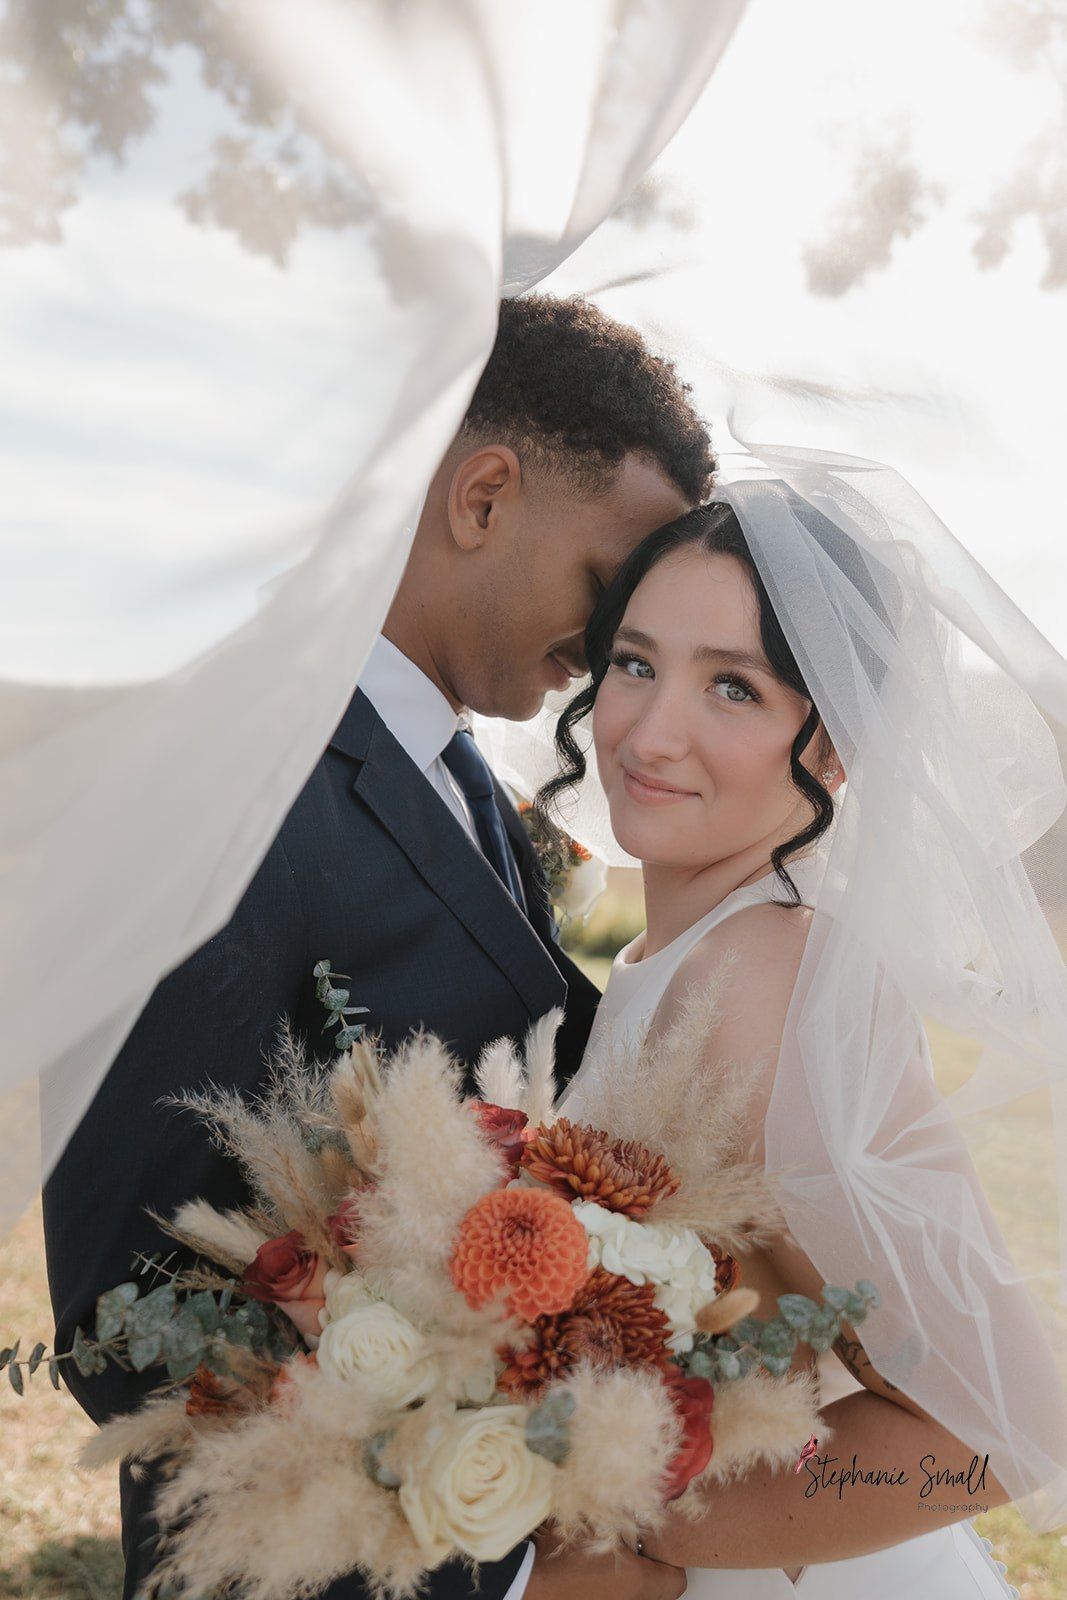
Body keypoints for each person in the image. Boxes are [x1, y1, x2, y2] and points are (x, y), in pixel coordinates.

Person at [42, 295, 710, 1600]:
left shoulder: (469, 794)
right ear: (481, 495)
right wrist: (479, 1515)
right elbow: (130, 1310)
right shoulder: (231, 773)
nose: (605, 653)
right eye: (603, 582)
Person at [532, 455, 1067, 1597]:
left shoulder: (761, 978)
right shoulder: (674, 956)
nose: (647, 731)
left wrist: (644, 1523)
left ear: (828, 749)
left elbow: (996, 1428)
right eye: (634, 663)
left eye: (732, 687)